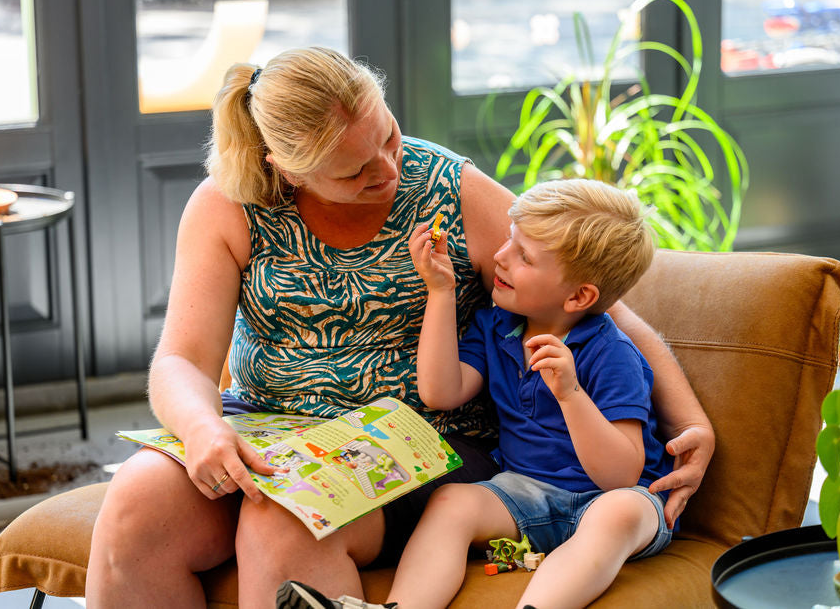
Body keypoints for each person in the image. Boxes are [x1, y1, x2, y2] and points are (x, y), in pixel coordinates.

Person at [85, 47, 713, 608]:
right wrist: (203, 429)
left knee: (285, 520)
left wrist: (693, 425)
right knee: (135, 504)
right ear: (286, 169)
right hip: (269, 429)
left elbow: (602, 312)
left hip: (421, 443)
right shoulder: (227, 205)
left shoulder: (447, 187)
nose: (387, 169)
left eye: (388, 135)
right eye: (353, 171)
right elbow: (182, 362)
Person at [278, 179, 671, 609]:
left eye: (524, 256)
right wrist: (440, 290)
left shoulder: (612, 353)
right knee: (452, 502)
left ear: (579, 296)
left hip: (616, 499)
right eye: (509, 240)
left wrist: (571, 395)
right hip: (526, 492)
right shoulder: (497, 327)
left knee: (617, 514)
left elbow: (620, 476)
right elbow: (440, 392)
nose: (500, 256)